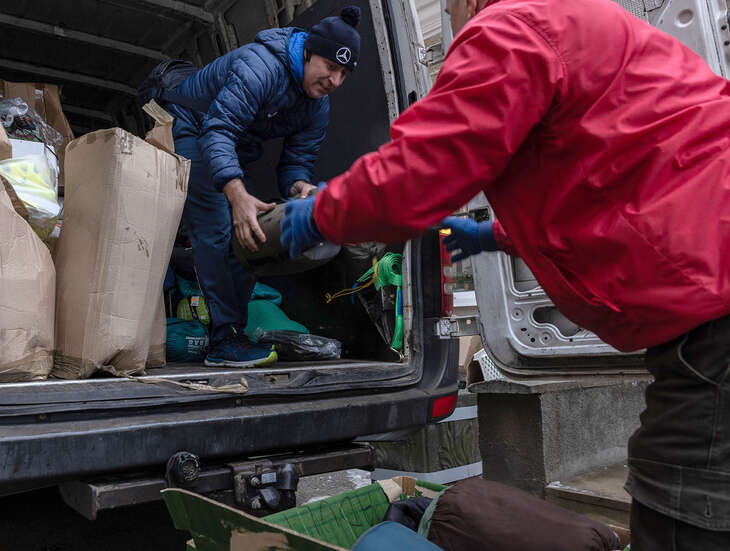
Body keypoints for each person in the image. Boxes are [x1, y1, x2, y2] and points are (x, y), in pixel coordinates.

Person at [280, 0, 730, 547]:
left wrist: (321, 213)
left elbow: (421, 169)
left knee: (681, 505)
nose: (454, 20)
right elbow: (616, 190)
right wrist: (493, 236)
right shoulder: (580, 22)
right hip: (710, 292)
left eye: (451, 7)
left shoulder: (513, 26)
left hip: (714, 318)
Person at [164, 7, 362, 368]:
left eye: (344, 74)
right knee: (217, 228)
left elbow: (296, 161)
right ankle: (224, 341)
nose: (335, 80)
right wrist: (237, 196)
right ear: (308, 52)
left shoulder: (317, 106)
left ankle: (233, 331)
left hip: (231, 144)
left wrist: (301, 187)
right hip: (195, 126)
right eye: (331, 66)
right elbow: (218, 130)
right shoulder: (261, 66)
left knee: (251, 233)